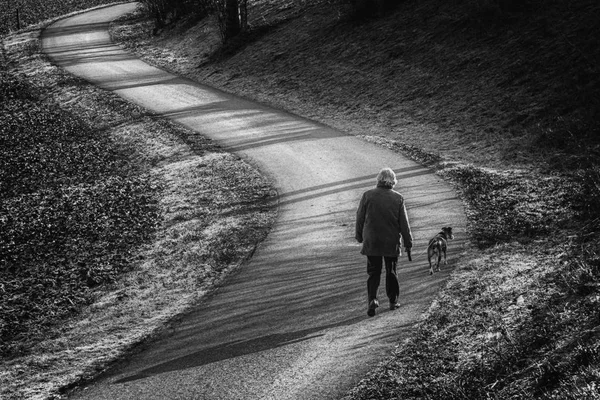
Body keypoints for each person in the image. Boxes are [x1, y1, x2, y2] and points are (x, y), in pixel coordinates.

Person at [355, 167, 413, 317]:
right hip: (390, 241)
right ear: (393, 181)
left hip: (372, 240)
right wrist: (408, 242)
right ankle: (393, 301)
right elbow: (404, 224)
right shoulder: (398, 198)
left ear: (378, 180)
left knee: (373, 272)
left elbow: (360, 217)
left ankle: (372, 299)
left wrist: (359, 236)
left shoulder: (367, 195)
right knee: (391, 271)